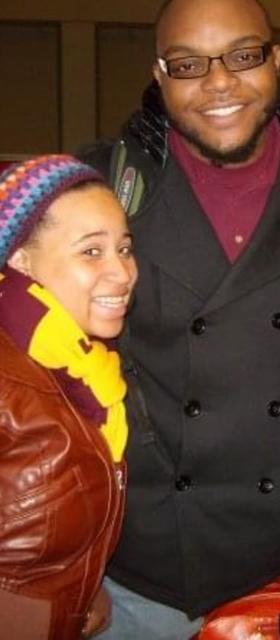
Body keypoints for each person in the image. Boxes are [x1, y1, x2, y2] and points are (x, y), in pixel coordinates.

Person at [79, 0, 280, 637]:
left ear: (276, 60)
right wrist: (59, 563)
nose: (219, 81)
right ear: (160, 74)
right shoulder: (99, 184)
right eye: (189, 64)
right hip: (132, 563)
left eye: (243, 55)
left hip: (277, 557)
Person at [0, 155, 137, 639]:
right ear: (20, 259)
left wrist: (81, 588)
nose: (123, 273)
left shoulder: (77, 365)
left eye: (124, 248)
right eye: (91, 252)